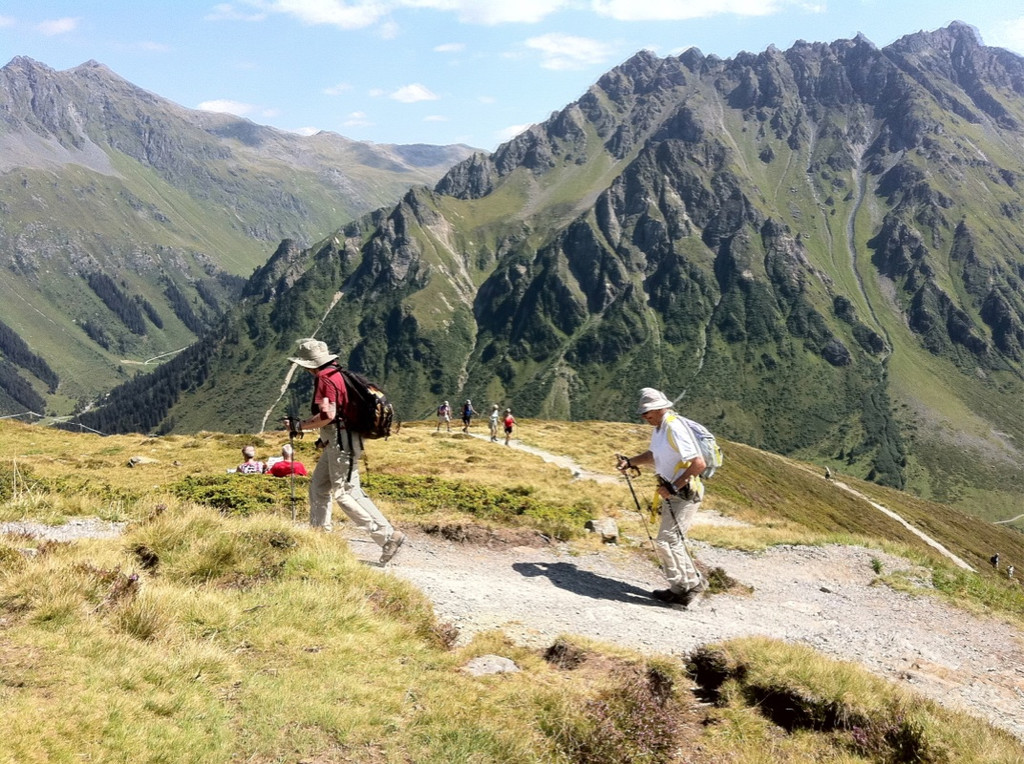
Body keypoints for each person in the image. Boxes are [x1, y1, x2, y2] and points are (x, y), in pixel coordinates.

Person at [286, 338, 406, 564]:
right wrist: (324, 438)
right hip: (340, 440)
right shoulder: (337, 374)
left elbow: (327, 415)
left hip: (341, 442)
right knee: (319, 487)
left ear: (307, 364)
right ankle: (319, 538)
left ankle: (387, 536)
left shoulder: (324, 378)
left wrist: (299, 426)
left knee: (346, 492)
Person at [616, 388, 707, 608]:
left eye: (648, 411)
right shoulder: (659, 429)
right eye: (642, 412)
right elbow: (652, 456)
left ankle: (692, 585)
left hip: (684, 493)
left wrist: (674, 487)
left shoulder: (674, 427)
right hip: (672, 492)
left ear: (661, 408)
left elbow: (699, 463)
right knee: (668, 540)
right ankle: (679, 588)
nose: (644, 416)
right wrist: (630, 462)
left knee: (668, 540)